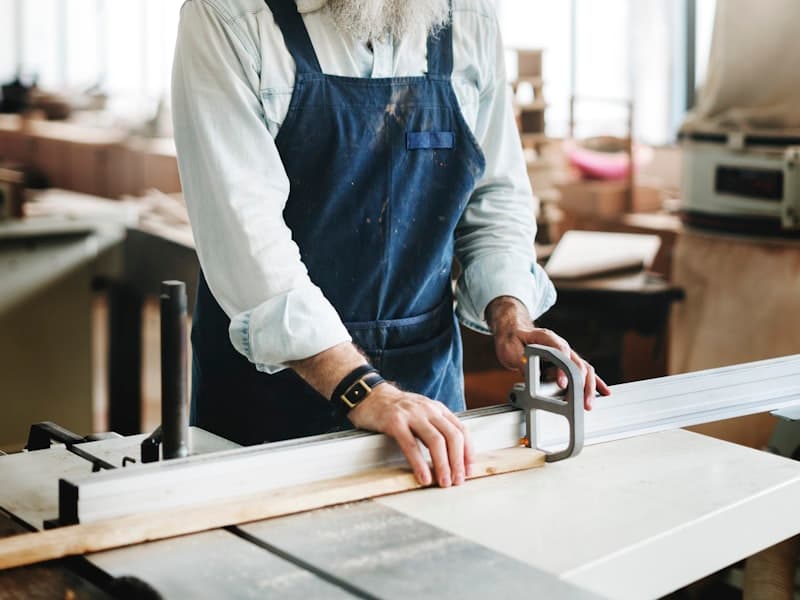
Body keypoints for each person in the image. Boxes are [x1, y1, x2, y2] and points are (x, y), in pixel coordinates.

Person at [172, 0, 610, 489]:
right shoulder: (229, 16)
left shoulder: (467, 17)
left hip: (425, 384)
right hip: (270, 394)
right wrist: (364, 389)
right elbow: (245, 236)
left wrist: (511, 316)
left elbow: (495, 195)